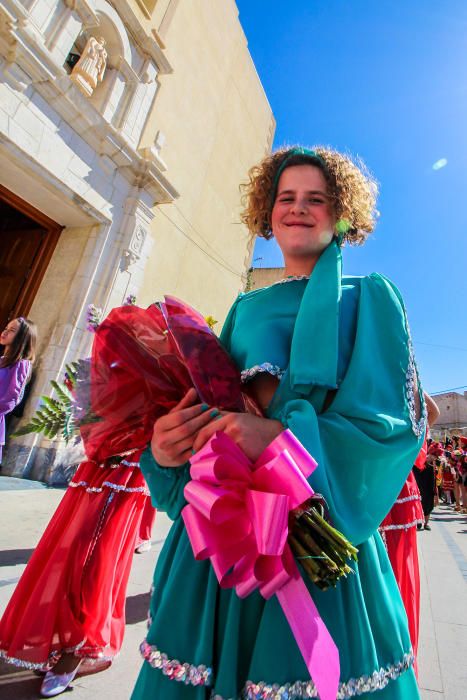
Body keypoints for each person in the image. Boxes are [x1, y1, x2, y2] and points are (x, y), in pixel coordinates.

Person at [132, 146, 426, 700]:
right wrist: (169, 449)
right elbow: (213, 405)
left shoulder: (371, 298)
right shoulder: (246, 306)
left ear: (342, 214)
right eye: (285, 198)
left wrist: (287, 440)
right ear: (267, 214)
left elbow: (394, 427)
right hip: (223, 544)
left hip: (320, 536)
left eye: (316, 198)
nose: (298, 208)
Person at [0, 317, 36, 464]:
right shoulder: (2, 359)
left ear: (22, 337)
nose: (5, 332)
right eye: (6, 328)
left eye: (12, 330)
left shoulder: (21, 364)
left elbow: (11, 399)